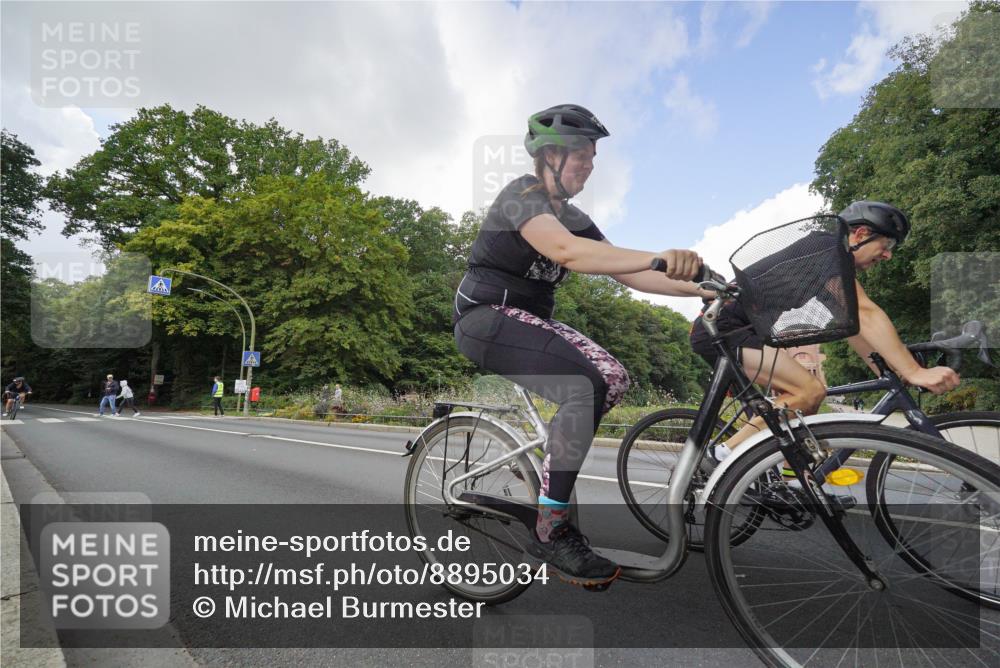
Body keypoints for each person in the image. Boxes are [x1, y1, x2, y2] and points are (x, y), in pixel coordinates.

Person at [452, 104, 709, 585]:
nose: (589, 166)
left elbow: (629, 273)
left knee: (612, 379)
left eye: (592, 158)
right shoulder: (520, 197)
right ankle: (550, 528)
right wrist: (661, 256)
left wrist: (705, 289)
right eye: (579, 157)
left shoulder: (575, 216)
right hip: (483, 317)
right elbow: (568, 252)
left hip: (525, 319)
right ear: (547, 156)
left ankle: (554, 473)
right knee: (589, 381)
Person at [691, 201, 959, 460]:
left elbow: (853, 328)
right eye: (886, 244)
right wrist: (914, 370)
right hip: (722, 328)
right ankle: (721, 455)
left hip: (742, 331)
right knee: (809, 390)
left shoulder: (825, 267)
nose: (888, 255)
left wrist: (888, 371)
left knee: (805, 408)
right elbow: (866, 313)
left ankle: (791, 480)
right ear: (861, 234)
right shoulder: (826, 248)